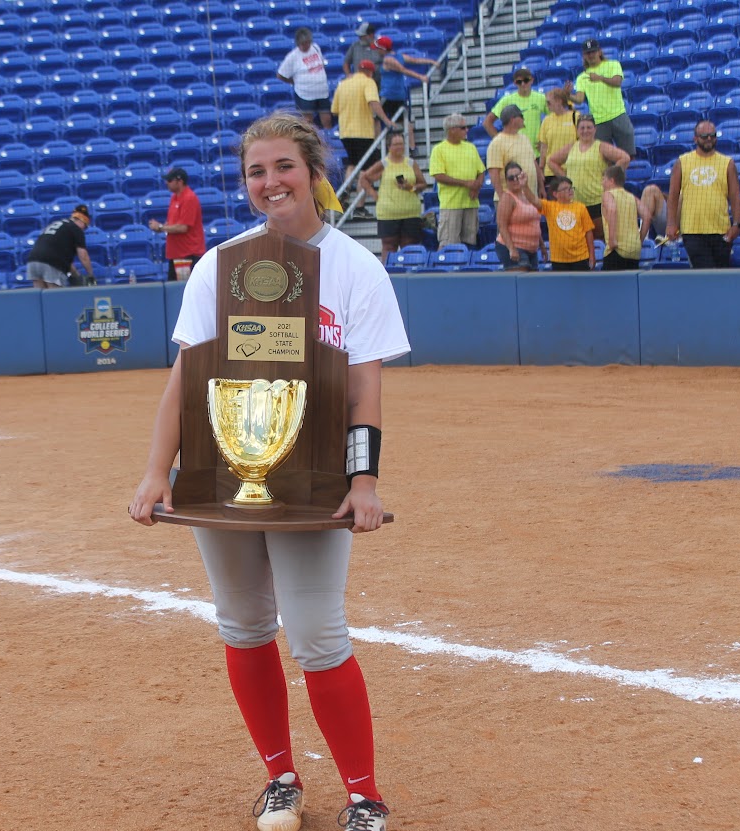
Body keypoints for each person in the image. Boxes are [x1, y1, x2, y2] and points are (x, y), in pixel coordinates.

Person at [128, 111, 410, 831]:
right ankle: (280, 779)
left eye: (283, 166)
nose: (270, 182)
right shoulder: (221, 265)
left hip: (313, 480)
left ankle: (363, 794)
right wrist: (158, 470)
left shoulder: (355, 267)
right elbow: (184, 377)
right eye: (256, 171)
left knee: (318, 633)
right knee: (245, 624)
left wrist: (364, 479)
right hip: (221, 472)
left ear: (313, 170)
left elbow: (364, 389)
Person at [665, 121, 740, 269]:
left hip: (721, 230)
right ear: (695, 138)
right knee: (704, 273)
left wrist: (737, 225)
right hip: (692, 231)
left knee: (720, 277)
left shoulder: (728, 163)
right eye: (704, 136)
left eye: (712, 136)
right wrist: (671, 223)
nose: (709, 139)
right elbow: (673, 195)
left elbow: (735, 197)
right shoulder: (682, 162)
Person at [546, 114, 631, 239]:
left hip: (598, 201)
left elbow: (624, 158)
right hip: (577, 202)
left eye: (589, 127)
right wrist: (565, 178)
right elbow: (551, 161)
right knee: (581, 241)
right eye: (582, 128)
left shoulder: (601, 146)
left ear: (595, 129)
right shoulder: (571, 147)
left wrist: (610, 178)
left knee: (603, 238)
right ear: (577, 130)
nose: (585, 131)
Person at [357, 131, 428, 261]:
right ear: (389, 147)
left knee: (409, 247)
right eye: (395, 144)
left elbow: (423, 184)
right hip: (388, 214)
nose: (399, 147)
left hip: (410, 213)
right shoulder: (384, 164)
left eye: (401, 144)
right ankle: (387, 275)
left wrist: (411, 187)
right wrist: (374, 195)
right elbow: (364, 178)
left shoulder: (411, 163)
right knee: (389, 247)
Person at [564, 38, 635, 157]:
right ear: (584, 56)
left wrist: (600, 78)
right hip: (598, 120)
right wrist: (568, 95)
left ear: (599, 52)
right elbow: (580, 99)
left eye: (593, 51)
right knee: (603, 157)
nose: (591, 55)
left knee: (628, 154)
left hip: (618, 114)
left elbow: (617, 82)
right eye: (588, 53)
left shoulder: (613, 64)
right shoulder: (582, 77)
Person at [331, 59, 396, 187]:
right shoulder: (368, 82)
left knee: (353, 163)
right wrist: (386, 120)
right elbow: (373, 102)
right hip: (363, 132)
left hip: (345, 132)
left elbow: (334, 110)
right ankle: (360, 204)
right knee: (365, 168)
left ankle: (346, 189)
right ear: (369, 72)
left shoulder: (343, 84)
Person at [428, 113, 487, 247]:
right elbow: (438, 175)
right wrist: (466, 183)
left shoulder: (471, 147)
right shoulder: (439, 150)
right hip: (451, 204)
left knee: (470, 242)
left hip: (471, 203)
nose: (467, 130)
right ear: (452, 130)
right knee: (449, 243)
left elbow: (481, 171)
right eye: (463, 128)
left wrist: (476, 186)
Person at [373, 35, 436, 151]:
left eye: (378, 48)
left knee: (376, 117)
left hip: (388, 94)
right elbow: (415, 60)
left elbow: (403, 70)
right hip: (399, 94)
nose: (376, 51)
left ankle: (377, 146)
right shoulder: (400, 56)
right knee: (404, 121)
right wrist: (430, 61)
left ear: (383, 49)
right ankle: (412, 147)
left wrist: (420, 77)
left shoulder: (388, 59)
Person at [149, 167, 206, 281]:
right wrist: (161, 226)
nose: (167, 183)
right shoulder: (174, 198)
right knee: (175, 290)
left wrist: (160, 227)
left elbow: (183, 227)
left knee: (183, 289)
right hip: (177, 254)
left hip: (187, 254)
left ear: (179, 181)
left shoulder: (189, 198)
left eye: (170, 180)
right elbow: (172, 222)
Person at [482, 67, 547, 160]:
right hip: (515, 154)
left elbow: (554, 118)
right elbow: (487, 123)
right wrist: (502, 142)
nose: (523, 84)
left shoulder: (541, 98)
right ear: (514, 83)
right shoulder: (507, 100)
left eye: (526, 80)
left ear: (532, 80)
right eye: (519, 82)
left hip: (536, 153)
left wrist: (545, 141)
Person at [276, 27, 333, 130]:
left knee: (327, 118)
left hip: (322, 91)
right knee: (307, 121)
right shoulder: (292, 57)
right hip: (305, 93)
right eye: (303, 44)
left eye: (307, 43)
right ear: (298, 44)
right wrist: (294, 82)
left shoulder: (315, 48)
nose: (306, 46)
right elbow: (280, 75)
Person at [26, 204, 94, 288]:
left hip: (33, 261)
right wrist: (90, 274)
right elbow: (83, 255)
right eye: (85, 227)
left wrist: (76, 275)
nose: (84, 230)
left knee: (40, 297)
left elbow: (64, 259)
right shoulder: (76, 229)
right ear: (82, 221)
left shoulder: (56, 225)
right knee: (55, 297)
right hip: (52, 263)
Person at [495, 161, 544, 271]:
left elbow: (534, 223)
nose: (515, 180)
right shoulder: (507, 198)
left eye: (518, 176)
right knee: (521, 284)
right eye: (511, 178)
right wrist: (511, 249)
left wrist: (542, 246)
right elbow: (502, 226)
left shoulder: (528, 195)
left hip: (532, 249)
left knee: (532, 284)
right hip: (515, 247)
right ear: (506, 181)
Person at [486, 104, 541, 203]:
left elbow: (533, 163)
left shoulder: (524, 138)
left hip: (531, 197)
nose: (524, 119)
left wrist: (541, 187)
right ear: (512, 119)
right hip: (511, 200)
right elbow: (494, 173)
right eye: (521, 116)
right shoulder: (497, 143)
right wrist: (502, 198)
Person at [600, 165, 651, 270]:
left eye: (604, 179)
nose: (602, 182)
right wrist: (640, 240)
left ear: (611, 180)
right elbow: (647, 216)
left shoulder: (608, 195)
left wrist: (612, 240)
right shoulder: (632, 197)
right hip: (634, 251)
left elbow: (612, 210)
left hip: (617, 250)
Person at [541, 176, 595, 271]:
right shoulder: (549, 207)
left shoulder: (581, 207)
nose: (570, 190)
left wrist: (592, 255)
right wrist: (525, 186)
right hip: (558, 260)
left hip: (581, 258)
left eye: (571, 188)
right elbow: (533, 201)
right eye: (565, 189)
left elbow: (588, 232)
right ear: (555, 194)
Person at [537, 87, 578, 172]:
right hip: (551, 170)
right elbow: (544, 147)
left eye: (549, 103)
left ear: (559, 101)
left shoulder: (575, 117)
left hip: (572, 168)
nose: (547, 106)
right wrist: (541, 168)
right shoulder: (546, 120)